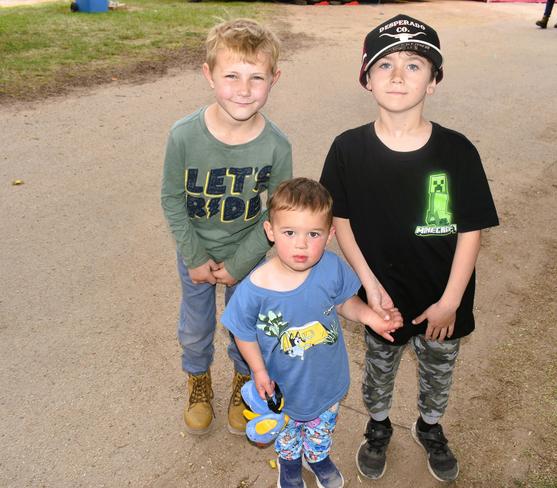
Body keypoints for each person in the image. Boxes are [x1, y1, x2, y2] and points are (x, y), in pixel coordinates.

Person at [320, 14, 499, 483]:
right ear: (366, 78)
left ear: (434, 80)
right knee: (378, 370)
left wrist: (451, 301)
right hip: (384, 298)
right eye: (385, 64)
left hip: (444, 299)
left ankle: (430, 425)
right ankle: (377, 427)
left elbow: (471, 229)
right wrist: (370, 287)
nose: (398, 76)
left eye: (414, 64)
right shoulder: (347, 149)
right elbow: (341, 221)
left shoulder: (457, 152)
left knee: (438, 372)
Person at [221, 178, 403, 488]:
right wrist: (259, 370)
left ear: (330, 235)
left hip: (325, 380)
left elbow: (346, 301)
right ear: (270, 232)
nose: (301, 244)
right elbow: (243, 332)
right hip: (281, 385)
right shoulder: (255, 289)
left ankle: (318, 457)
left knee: (322, 428)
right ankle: (290, 467)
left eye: (313, 234)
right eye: (289, 232)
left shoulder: (331, 268)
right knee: (287, 434)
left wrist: (370, 316)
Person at [161, 18, 292, 437]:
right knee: (195, 326)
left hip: (248, 256)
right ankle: (198, 382)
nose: (244, 88)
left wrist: (239, 262)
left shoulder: (276, 145)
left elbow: (278, 213)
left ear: (275, 78)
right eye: (231, 75)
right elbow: (172, 198)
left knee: (244, 327)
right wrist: (195, 256)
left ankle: (244, 382)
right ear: (208, 74)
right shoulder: (183, 135)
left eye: (257, 77)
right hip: (195, 250)